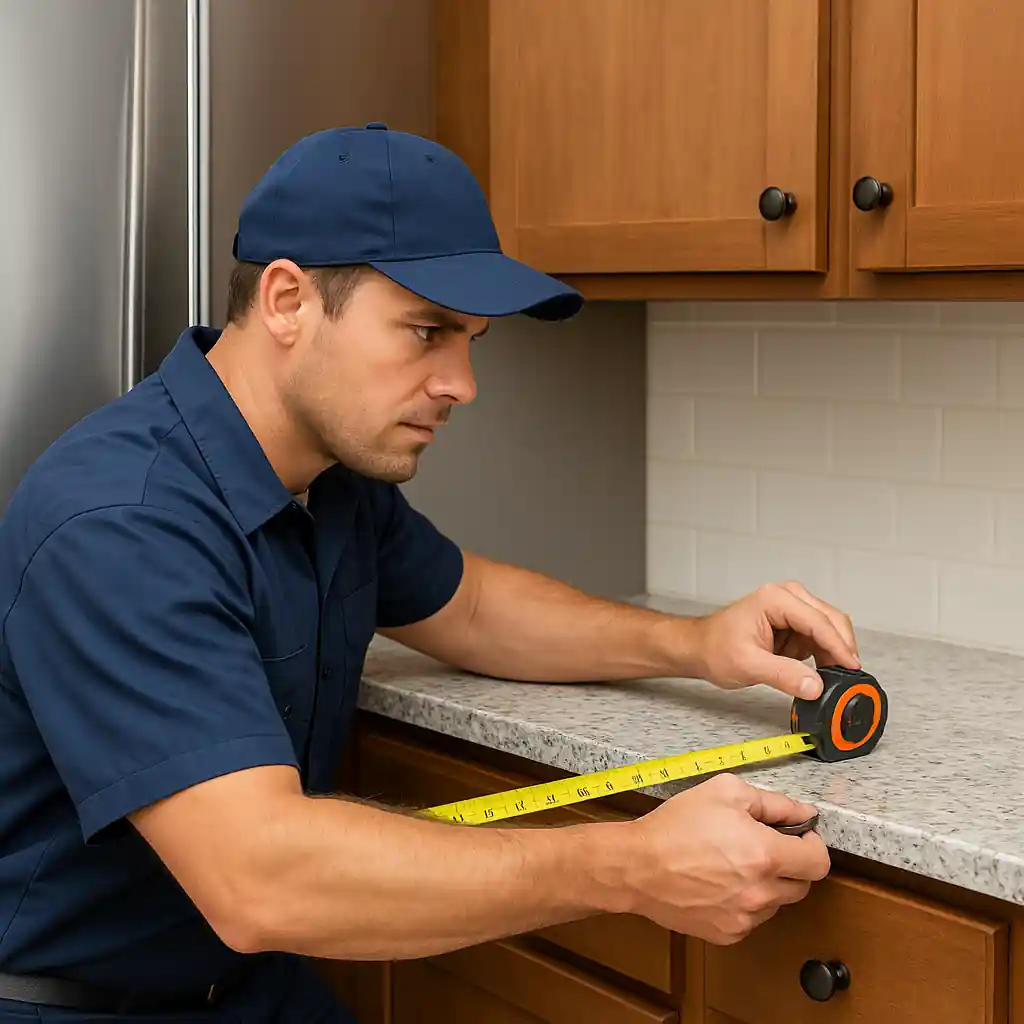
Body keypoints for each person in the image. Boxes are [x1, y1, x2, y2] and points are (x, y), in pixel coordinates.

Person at [0, 123, 856, 1022]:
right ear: (288, 301)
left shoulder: (328, 478)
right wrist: (628, 865)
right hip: (75, 1004)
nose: (463, 383)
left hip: (248, 987)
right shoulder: (122, 521)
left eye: (472, 340)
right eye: (427, 331)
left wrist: (693, 643)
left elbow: (475, 606)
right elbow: (260, 878)